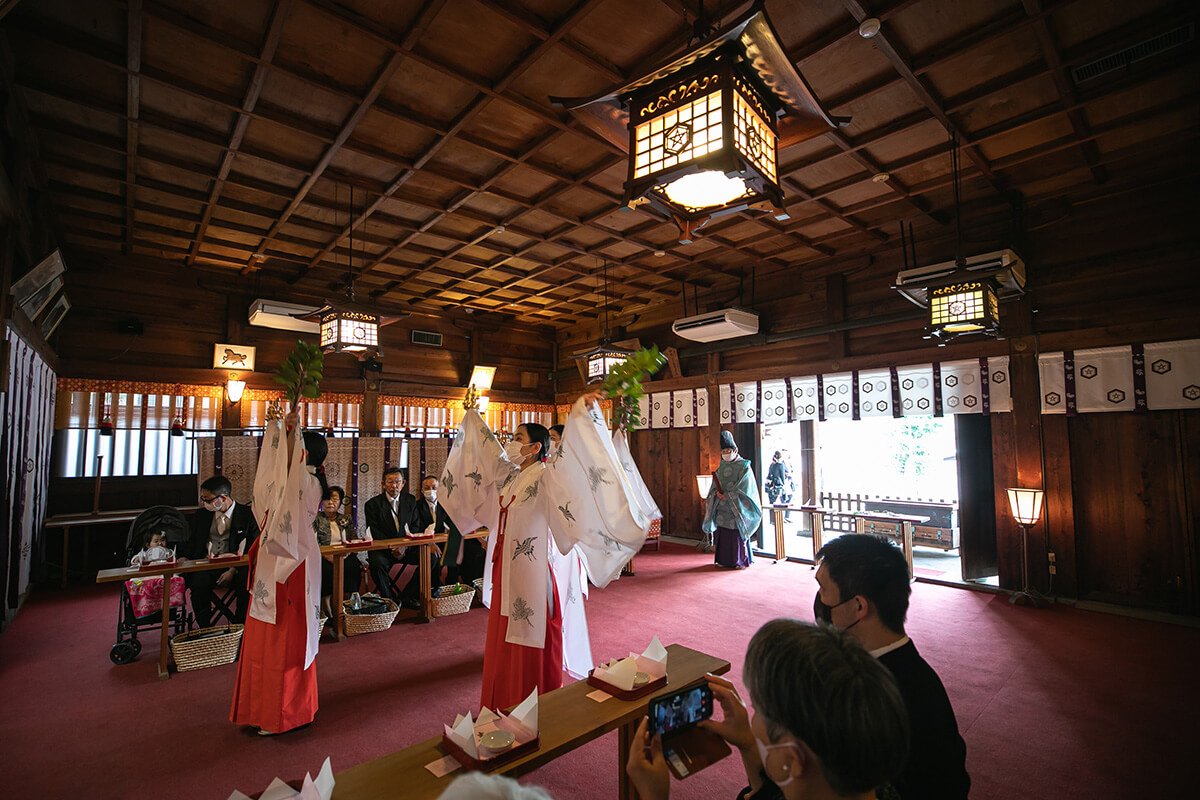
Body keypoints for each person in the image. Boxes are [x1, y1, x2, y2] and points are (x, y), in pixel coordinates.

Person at [440, 392, 654, 711]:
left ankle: (536, 701)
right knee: (505, 637)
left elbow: (575, 463)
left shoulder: (546, 475)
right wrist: (472, 417)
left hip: (533, 571)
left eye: (516, 438)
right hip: (507, 570)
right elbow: (488, 454)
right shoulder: (513, 477)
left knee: (533, 632)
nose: (510, 443)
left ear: (535, 447)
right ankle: (504, 700)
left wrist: (583, 409)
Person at [627, 619, 909, 800]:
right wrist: (750, 746)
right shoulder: (878, 787)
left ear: (792, 760)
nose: (753, 717)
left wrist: (654, 797)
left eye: (758, 707)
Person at [813, 534, 970, 800]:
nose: (819, 600)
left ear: (858, 606)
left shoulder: (880, 694)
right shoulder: (903, 668)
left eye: (823, 590)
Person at [230, 411, 321, 736]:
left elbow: (284, 480)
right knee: (262, 636)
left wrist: (288, 431)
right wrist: (277, 430)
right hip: (272, 557)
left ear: (301, 454)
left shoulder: (307, 483)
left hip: (292, 561)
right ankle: (259, 706)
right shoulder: (293, 479)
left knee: (285, 637)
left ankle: (284, 712)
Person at [186, 475, 260, 628]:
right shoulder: (202, 515)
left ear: (223, 498)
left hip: (238, 567)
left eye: (208, 500)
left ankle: (239, 627)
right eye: (203, 499)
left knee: (246, 583)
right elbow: (194, 542)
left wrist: (232, 571)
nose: (205, 503)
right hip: (208, 565)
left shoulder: (247, 514)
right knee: (198, 584)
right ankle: (205, 627)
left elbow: (252, 546)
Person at [701, 430, 763, 569]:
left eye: (728, 450)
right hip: (722, 507)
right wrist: (716, 494)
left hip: (737, 508)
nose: (725, 453)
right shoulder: (721, 466)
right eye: (723, 451)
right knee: (723, 534)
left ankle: (739, 560)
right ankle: (723, 560)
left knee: (736, 534)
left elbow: (745, 489)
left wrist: (728, 496)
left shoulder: (744, 467)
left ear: (735, 450)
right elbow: (714, 486)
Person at [364, 467, 422, 606]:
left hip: (406, 548)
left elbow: (415, 526)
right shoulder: (372, 504)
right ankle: (389, 600)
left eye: (397, 482)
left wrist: (404, 547)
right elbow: (374, 531)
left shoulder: (410, 500)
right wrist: (393, 547)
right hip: (384, 550)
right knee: (376, 563)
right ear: (383, 484)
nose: (394, 485)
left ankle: (408, 596)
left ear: (403, 483)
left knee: (431, 559)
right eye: (390, 482)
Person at [416, 475, 483, 588]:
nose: (430, 491)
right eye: (427, 488)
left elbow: (451, 522)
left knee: (463, 550)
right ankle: (434, 588)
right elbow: (416, 528)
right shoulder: (417, 506)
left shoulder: (445, 504)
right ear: (422, 490)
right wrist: (430, 543)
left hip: (442, 541)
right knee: (435, 557)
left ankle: (454, 584)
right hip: (425, 544)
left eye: (434, 487)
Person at [312, 485, 362, 616]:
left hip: (344, 554)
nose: (330, 502)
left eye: (335, 499)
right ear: (321, 501)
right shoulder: (315, 519)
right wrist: (326, 555)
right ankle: (327, 609)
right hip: (323, 555)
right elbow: (313, 543)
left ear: (340, 502)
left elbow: (354, 539)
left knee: (353, 566)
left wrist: (347, 553)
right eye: (327, 499)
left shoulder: (346, 518)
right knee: (326, 570)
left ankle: (352, 604)